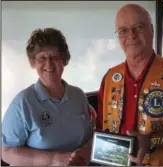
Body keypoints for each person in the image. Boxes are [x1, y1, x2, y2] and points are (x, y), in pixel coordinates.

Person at [96, 4, 163, 166]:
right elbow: (101, 132)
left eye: (138, 27)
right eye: (123, 30)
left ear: (151, 29)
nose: (131, 35)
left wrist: (152, 141)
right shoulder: (110, 78)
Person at [2, 28, 94, 166]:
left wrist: (82, 155)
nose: (49, 64)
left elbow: (89, 137)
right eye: (42, 58)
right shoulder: (22, 102)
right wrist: (54, 160)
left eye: (54, 57)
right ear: (34, 62)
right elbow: (6, 152)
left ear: (63, 60)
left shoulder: (78, 96)